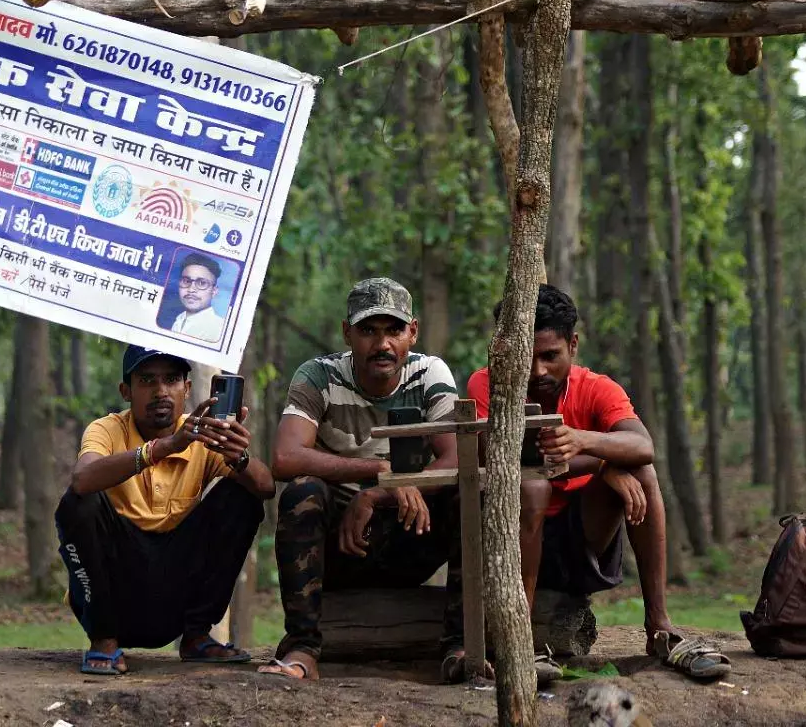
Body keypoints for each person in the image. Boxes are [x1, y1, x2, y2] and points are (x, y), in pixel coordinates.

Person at [466, 285, 732, 680]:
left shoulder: (596, 388)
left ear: (573, 345)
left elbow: (642, 446)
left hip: (580, 542)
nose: (537, 371)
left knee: (641, 472)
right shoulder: (487, 385)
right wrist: (604, 463)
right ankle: (519, 642)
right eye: (526, 356)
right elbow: (502, 462)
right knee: (533, 487)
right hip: (510, 542)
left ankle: (659, 626)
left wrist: (586, 442)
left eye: (550, 356)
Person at [258, 278, 485, 684]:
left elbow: (456, 457)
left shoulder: (428, 373)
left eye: (394, 330)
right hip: (342, 547)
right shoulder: (320, 375)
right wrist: (377, 471)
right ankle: (302, 648)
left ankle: (460, 646)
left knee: (470, 493)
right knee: (302, 491)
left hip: (408, 533)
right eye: (368, 331)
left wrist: (380, 494)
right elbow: (285, 457)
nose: (382, 344)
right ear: (347, 333)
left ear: (412, 332)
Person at [54, 345, 275, 675]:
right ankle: (104, 641)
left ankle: (197, 636)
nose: (160, 391)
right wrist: (162, 448)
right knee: (77, 503)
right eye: (147, 380)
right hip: (115, 596)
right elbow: (82, 479)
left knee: (242, 495)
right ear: (126, 391)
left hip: (175, 594)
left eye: (171, 380)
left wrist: (238, 457)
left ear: (187, 388)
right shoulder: (107, 429)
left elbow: (266, 487)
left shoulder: (202, 434)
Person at [170, 253, 227, 342]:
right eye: (186, 281)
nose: (191, 289)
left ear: (214, 291)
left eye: (202, 283)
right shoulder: (179, 320)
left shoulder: (220, 329)